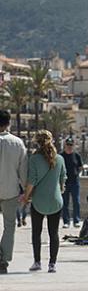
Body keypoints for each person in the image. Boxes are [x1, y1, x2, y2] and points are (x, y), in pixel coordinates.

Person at [23, 130, 66, 273]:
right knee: (54, 233)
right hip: (55, 200)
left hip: (38, 201)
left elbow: (31, 181)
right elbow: (63, 179)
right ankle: (52, 264)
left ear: (37, 142)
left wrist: (26, 196)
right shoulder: (59, 159)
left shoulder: (34, 159)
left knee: (37, 232)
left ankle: (37, 262)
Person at [0, 110, 27, 274]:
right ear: (9, 123)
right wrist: (26, 191)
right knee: (9, 226)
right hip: (11, 191)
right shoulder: (17, 143)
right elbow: (23, 170)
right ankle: (3, 260)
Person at [60, 137, 83, 228]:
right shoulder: (61, 156)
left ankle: (76, 220)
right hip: (64, 183)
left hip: (75, 182)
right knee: (65, 202)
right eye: (68, 145)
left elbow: (80, 167)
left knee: (76, 202)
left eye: (71, 145)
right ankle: (66, 221)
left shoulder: (77, 156)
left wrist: (77, 174)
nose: (69, 147)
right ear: (65, 145)